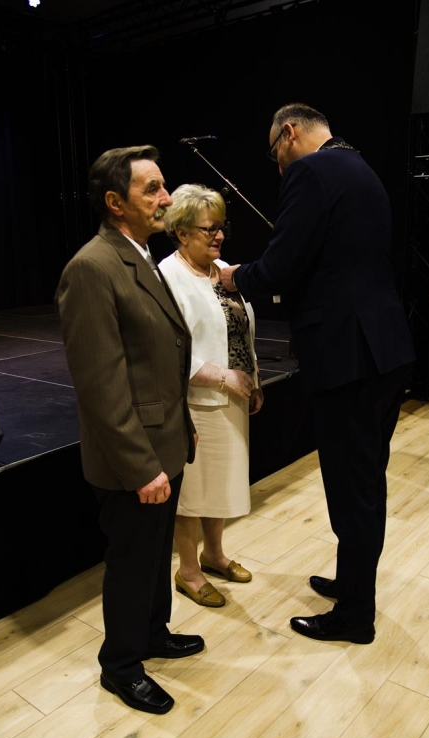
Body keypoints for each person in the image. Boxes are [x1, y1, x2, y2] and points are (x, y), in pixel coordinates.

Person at [220, 103, 415, 645]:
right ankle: (352, 584)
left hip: (347, 356)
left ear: (289, 133)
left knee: (352, 490)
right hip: (385, 349)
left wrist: (237, 277)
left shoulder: (310, 171)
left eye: (275, 153)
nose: (279, 167)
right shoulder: (362, 168)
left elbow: (281, 266)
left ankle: (354, 616)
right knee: (366, 481)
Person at [55, 145, 204, 715]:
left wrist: (182, 426)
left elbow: (162, 357)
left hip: (163, 441)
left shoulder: (140, 255)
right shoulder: (91, 268)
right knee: (132, 562)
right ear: (116, 202)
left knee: (155, 554)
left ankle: (152, 633)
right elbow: (102, 386)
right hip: (131, 459)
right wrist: (142, 466)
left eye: (163, 186)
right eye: (153, 189)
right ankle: (120, 665)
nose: (166, 198)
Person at [159, 183, 264, 607]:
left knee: (220, 484)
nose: (219, 236)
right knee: (193, 493)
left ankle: (215, 555)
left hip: (233, 398)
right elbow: (167, 349)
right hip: (196, 403)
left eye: (221, 227)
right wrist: (224, 377)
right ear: (182, 232)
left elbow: (240, 327)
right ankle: (188, 571)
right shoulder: (168, 277)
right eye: (209, 229)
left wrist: (253, 377)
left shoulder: (221, 269)